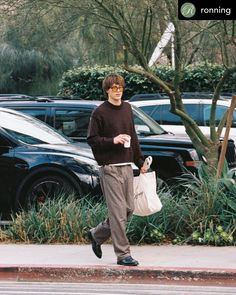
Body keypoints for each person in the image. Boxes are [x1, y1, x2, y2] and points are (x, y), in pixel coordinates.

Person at [87, 73, 147, 266]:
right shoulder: (99, 112)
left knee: (129, 209)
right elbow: (92, 140)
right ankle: (123, 254)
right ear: (107, 90)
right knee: (118, 213)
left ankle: (96, 234)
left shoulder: (127, 108)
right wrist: (113, 140)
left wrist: (140, 162)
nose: (118, 90)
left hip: (127, 167)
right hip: (110, 168)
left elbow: (134, 137)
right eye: (114, 88)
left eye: (120, 87)